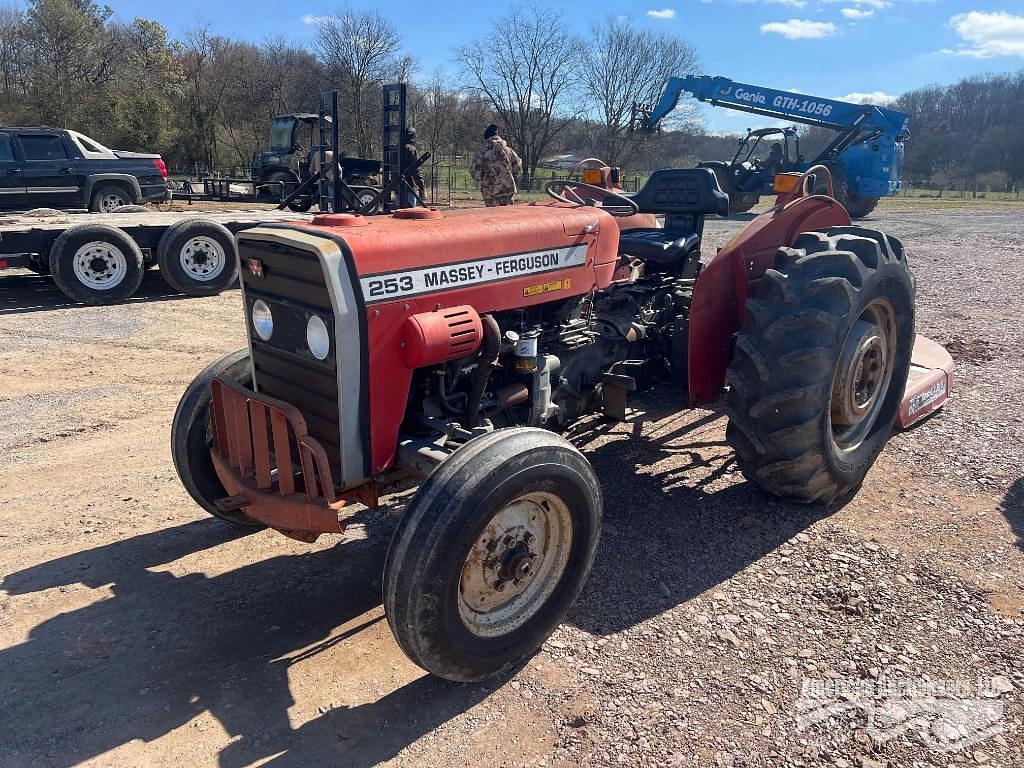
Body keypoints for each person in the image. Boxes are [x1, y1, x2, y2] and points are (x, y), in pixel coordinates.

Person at [470, 123, 522, 206]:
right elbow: (518, 166)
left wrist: (485, 177)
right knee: (508, 216)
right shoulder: (509, 151)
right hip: (508, 190)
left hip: (491, 192)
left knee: (494, 217)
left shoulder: (482, 153)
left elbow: (475, 173)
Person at [403, 127, 426, 207]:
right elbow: (416, 169)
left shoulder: (394, 148)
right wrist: (421, 187)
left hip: (397, 188)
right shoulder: (411, 149)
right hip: (409, 187)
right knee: (409, 214)